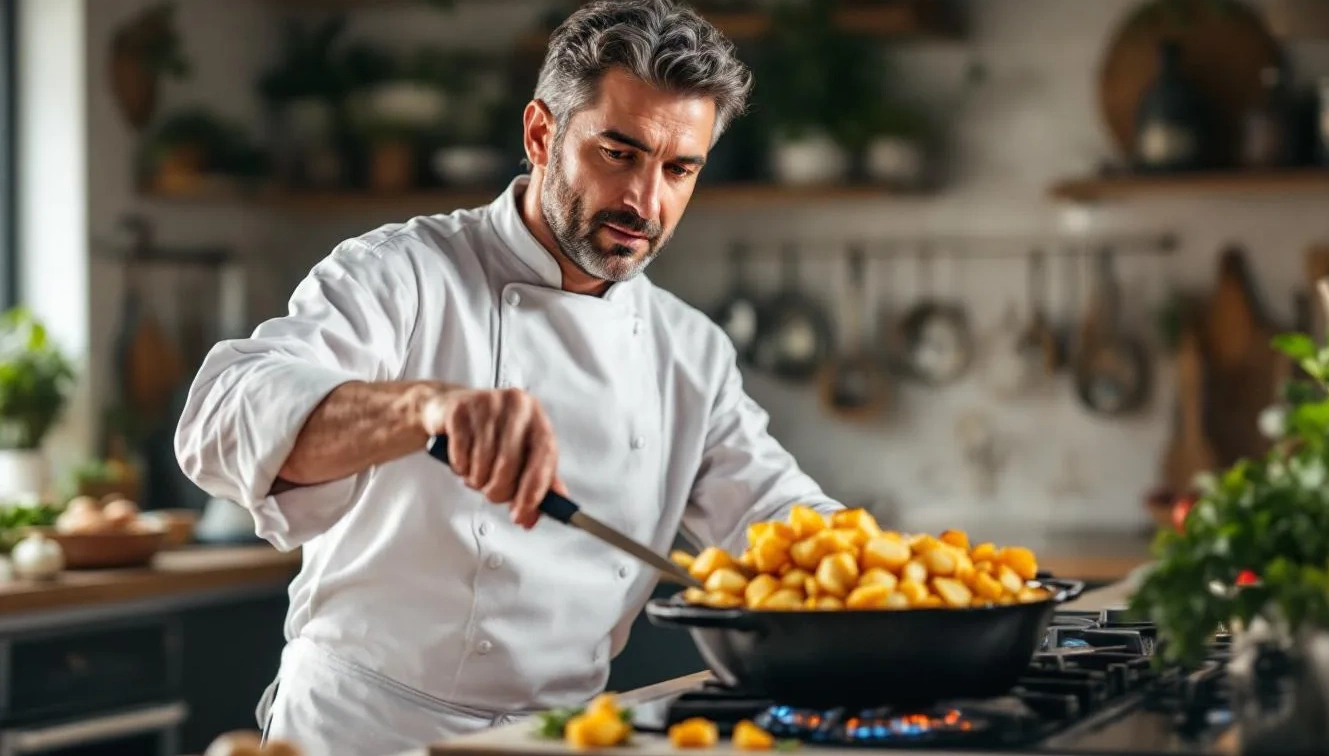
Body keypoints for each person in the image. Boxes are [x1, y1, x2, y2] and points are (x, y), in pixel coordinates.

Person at [174, 1, 842, 753]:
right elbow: (220, 418)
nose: (644, 203)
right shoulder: (403, 273)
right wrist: (424, 407)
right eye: (617, 153)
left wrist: (902, 579)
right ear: (540, 134)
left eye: (678, 169)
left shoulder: (690, 349)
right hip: (363, 732)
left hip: (560, 737)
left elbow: (775, 516)